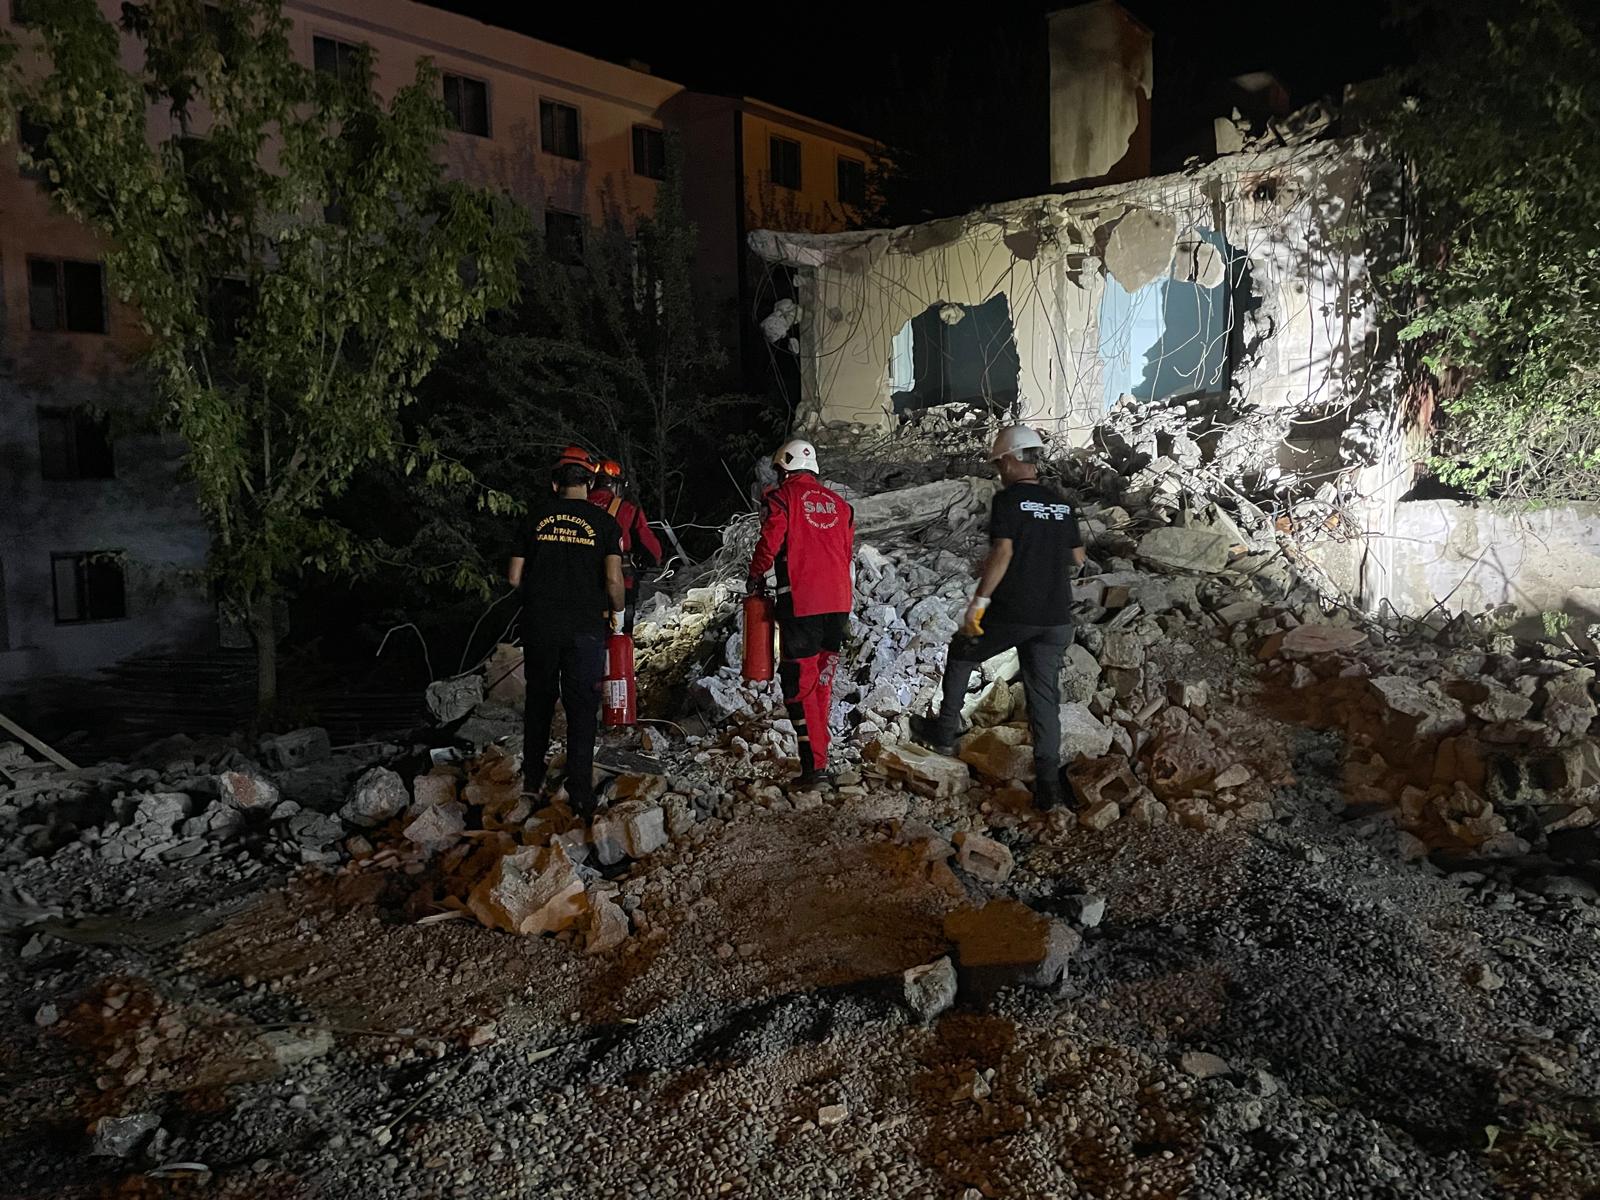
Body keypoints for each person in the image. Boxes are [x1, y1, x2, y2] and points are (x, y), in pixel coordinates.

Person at [909, 425, 1086, 809]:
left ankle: (944, 733)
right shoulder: (1060, 503)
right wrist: (1041, 552)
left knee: (963, 650)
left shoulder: (1008, 501)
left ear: (1010, 459)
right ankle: (1048, 785)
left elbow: (1004, 553)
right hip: (1056, 617)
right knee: (1044, 697)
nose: (999, 471)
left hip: (1015, 610)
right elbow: (1077, 557)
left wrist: (979, 602)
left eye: (999, 463)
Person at [507, 445, 626, 818]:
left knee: (539, 702)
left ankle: (532, 783)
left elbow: (513, 577)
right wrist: (617, 610)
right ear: (589, 483)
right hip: (585, 629)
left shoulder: (534, 518)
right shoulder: (605, 523)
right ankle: (580, 793)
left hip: (540, 624)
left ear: (554, 482)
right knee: (582, 707)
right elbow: (614, 580)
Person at [747, 438, 855, 788]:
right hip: (838, 605)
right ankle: (821, 759)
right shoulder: (841, 505)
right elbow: (846, 552)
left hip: (802, 603)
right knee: (822, 682)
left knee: (799, 683)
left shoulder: (782, 498)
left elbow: (770, 543)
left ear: (784, 468)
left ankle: (814, 769)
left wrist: (755, 574)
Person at [588, 459, 664, 634]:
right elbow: (653, 551)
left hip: (580, 587)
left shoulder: (574, 508)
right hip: (621, 587)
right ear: (617, 485)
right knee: (620, 635)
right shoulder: (627, 510)